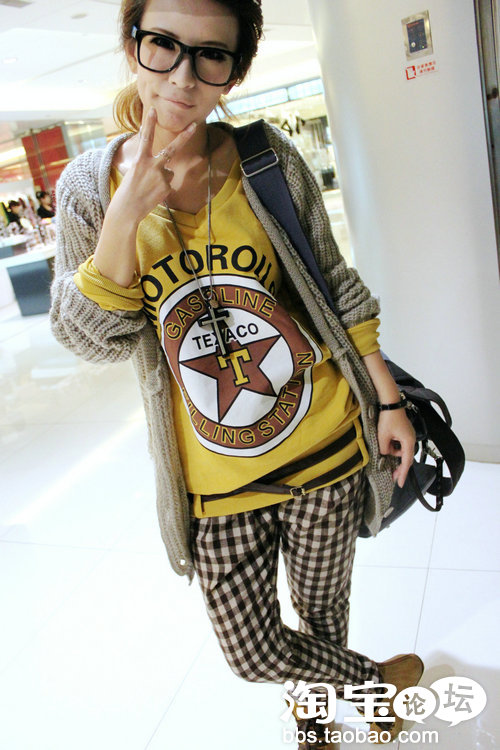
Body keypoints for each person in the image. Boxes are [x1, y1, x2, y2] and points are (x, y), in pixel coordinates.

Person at [50, 0, 424, 745]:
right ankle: (375, 684)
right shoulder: (89, 190)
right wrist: (125, 217)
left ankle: (316, 730)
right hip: (215, 480)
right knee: (250, 652)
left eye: (210, 55)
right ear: (133, 44)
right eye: (164, 45)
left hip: (322, 446)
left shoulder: (266, 159)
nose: (183, 76)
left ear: (235, 71)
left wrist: (389, 401)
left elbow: (334, 285)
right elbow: (88, 339)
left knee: (322, 617)